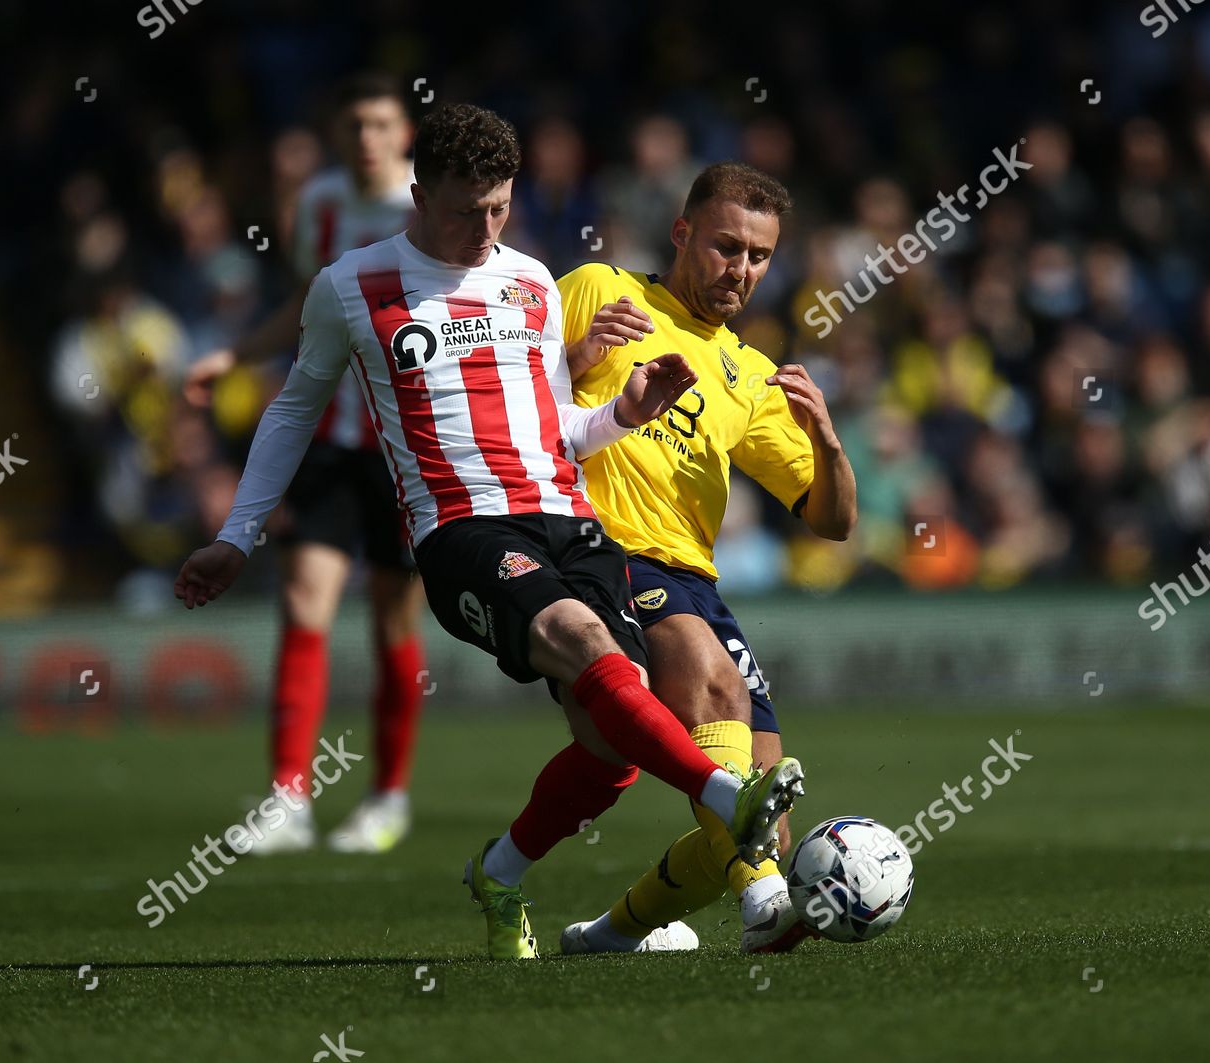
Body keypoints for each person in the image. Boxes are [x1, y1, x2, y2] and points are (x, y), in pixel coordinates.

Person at [173, 104, 806, 959]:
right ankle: (730, 800)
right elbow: (293, 408)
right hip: (462, 528)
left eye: (500, 207)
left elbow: (556, 430)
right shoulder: (350, 286)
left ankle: (500, 872)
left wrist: (623, 413)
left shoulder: (533, 283)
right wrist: (238, 534)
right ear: (420, 190)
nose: (485, 227)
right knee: (587, 645)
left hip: (568, 522)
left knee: (613, 743)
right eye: (467, 208)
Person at [553, 162, 858, 954]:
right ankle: (763, 901)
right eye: (727, 246)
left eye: (759, 257)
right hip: (604, 551)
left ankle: (609, 933)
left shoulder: (750, 374)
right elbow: (495, 395)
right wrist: (579, 362)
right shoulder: (596, 287)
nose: (742, 270)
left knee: (763, 821)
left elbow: (832, 520)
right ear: (682, 232)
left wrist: (828, 444)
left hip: (694, 577)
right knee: (711, 685)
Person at [184, 73, 425, 854]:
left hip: (404, 445)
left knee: (392, 613)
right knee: (303, 596)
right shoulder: (320, 203)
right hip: (329, 435)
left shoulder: (429, 205)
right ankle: (288, 797)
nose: (366, 138)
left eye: (380, 123)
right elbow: (305, 300)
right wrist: (239, 353)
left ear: (405, 132)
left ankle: (388, 794)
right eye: (354, 123)